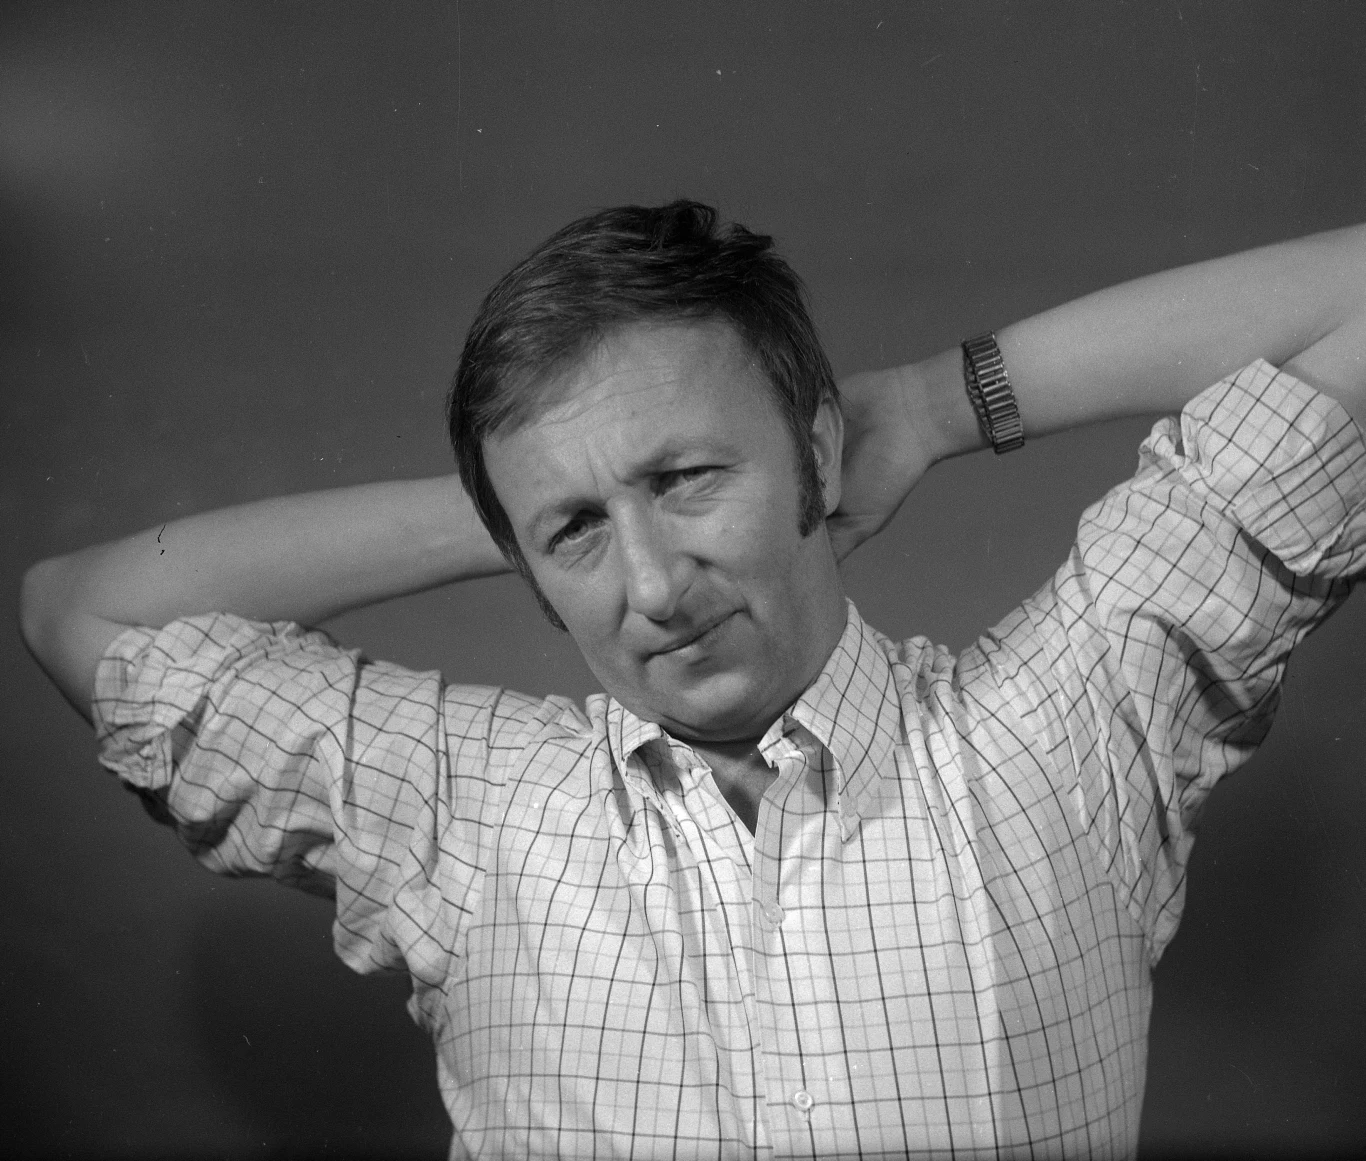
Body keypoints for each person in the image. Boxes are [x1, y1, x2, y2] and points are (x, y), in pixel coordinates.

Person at [19, 201, 1366, 1159]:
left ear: (817, 460)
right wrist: (525, 508)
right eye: (579, 535)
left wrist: (930, 407)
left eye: (684, 477)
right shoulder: (465, 815)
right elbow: (81, 610)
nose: (655, 584)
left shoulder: (1063, 734)